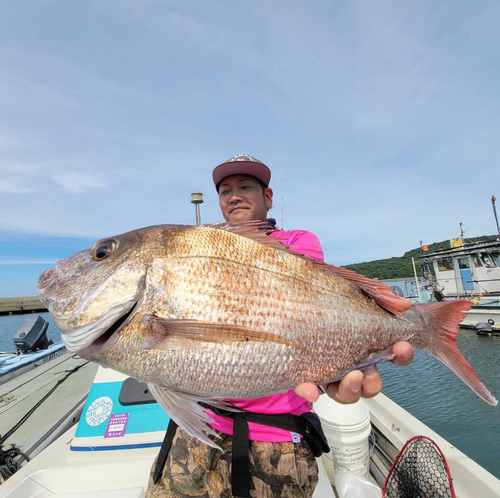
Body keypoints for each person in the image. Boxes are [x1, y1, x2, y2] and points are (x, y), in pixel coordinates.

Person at [146, 154, 414, 498]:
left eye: (245, 187)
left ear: (268, 197)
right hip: (197, 430)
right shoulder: (200, 249)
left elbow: (302, 295)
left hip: (275, 440)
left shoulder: (296, 242)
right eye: (225, 190)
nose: (234, 196)